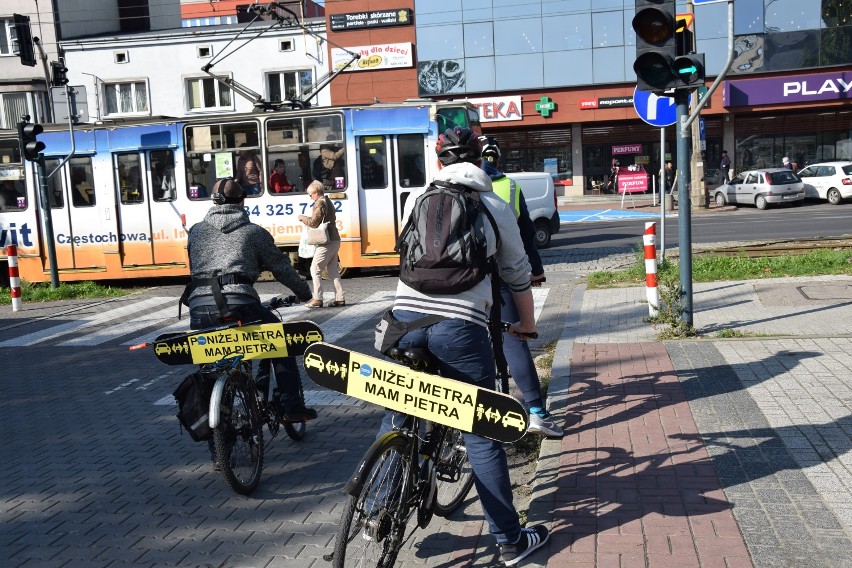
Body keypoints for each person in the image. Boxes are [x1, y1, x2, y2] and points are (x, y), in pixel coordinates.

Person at [382, 128, 550, 565]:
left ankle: (377, 504)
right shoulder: (494, 203)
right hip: (461, 330)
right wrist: (525, 325)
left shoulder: (415, 199)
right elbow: (517, 271)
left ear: (439, 163)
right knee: (482, 434)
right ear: (480, 159)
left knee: (399, 405)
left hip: (404, 321)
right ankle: (511, 542)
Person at [183, 178, 316, 467]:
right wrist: (306, 292)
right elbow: (281, 268)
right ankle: (292, 407)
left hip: (200, 308)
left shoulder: (196, 232)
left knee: (210, 372)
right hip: (240, 305)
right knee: (278, 341)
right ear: (242, 201)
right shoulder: (253, 232)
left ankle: (219, 452)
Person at [480, 136, 563, 438]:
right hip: (501, 275)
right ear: (496, 159)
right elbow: (526, 235)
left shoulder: (436, 189)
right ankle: (537, 413)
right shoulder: (508, 187)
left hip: (458, 285)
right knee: (514, 339)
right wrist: (536, 272)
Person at [298, 180, 345, 308]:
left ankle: (317, 299)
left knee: (315, 268)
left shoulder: (319, 203)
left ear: (317, 192)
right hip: (335, 239)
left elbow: (313, 222)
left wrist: (302, 218)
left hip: (327, 241)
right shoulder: (328, 201)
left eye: (311, 194)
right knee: (332, 271)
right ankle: (339, 298)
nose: (310, 197)